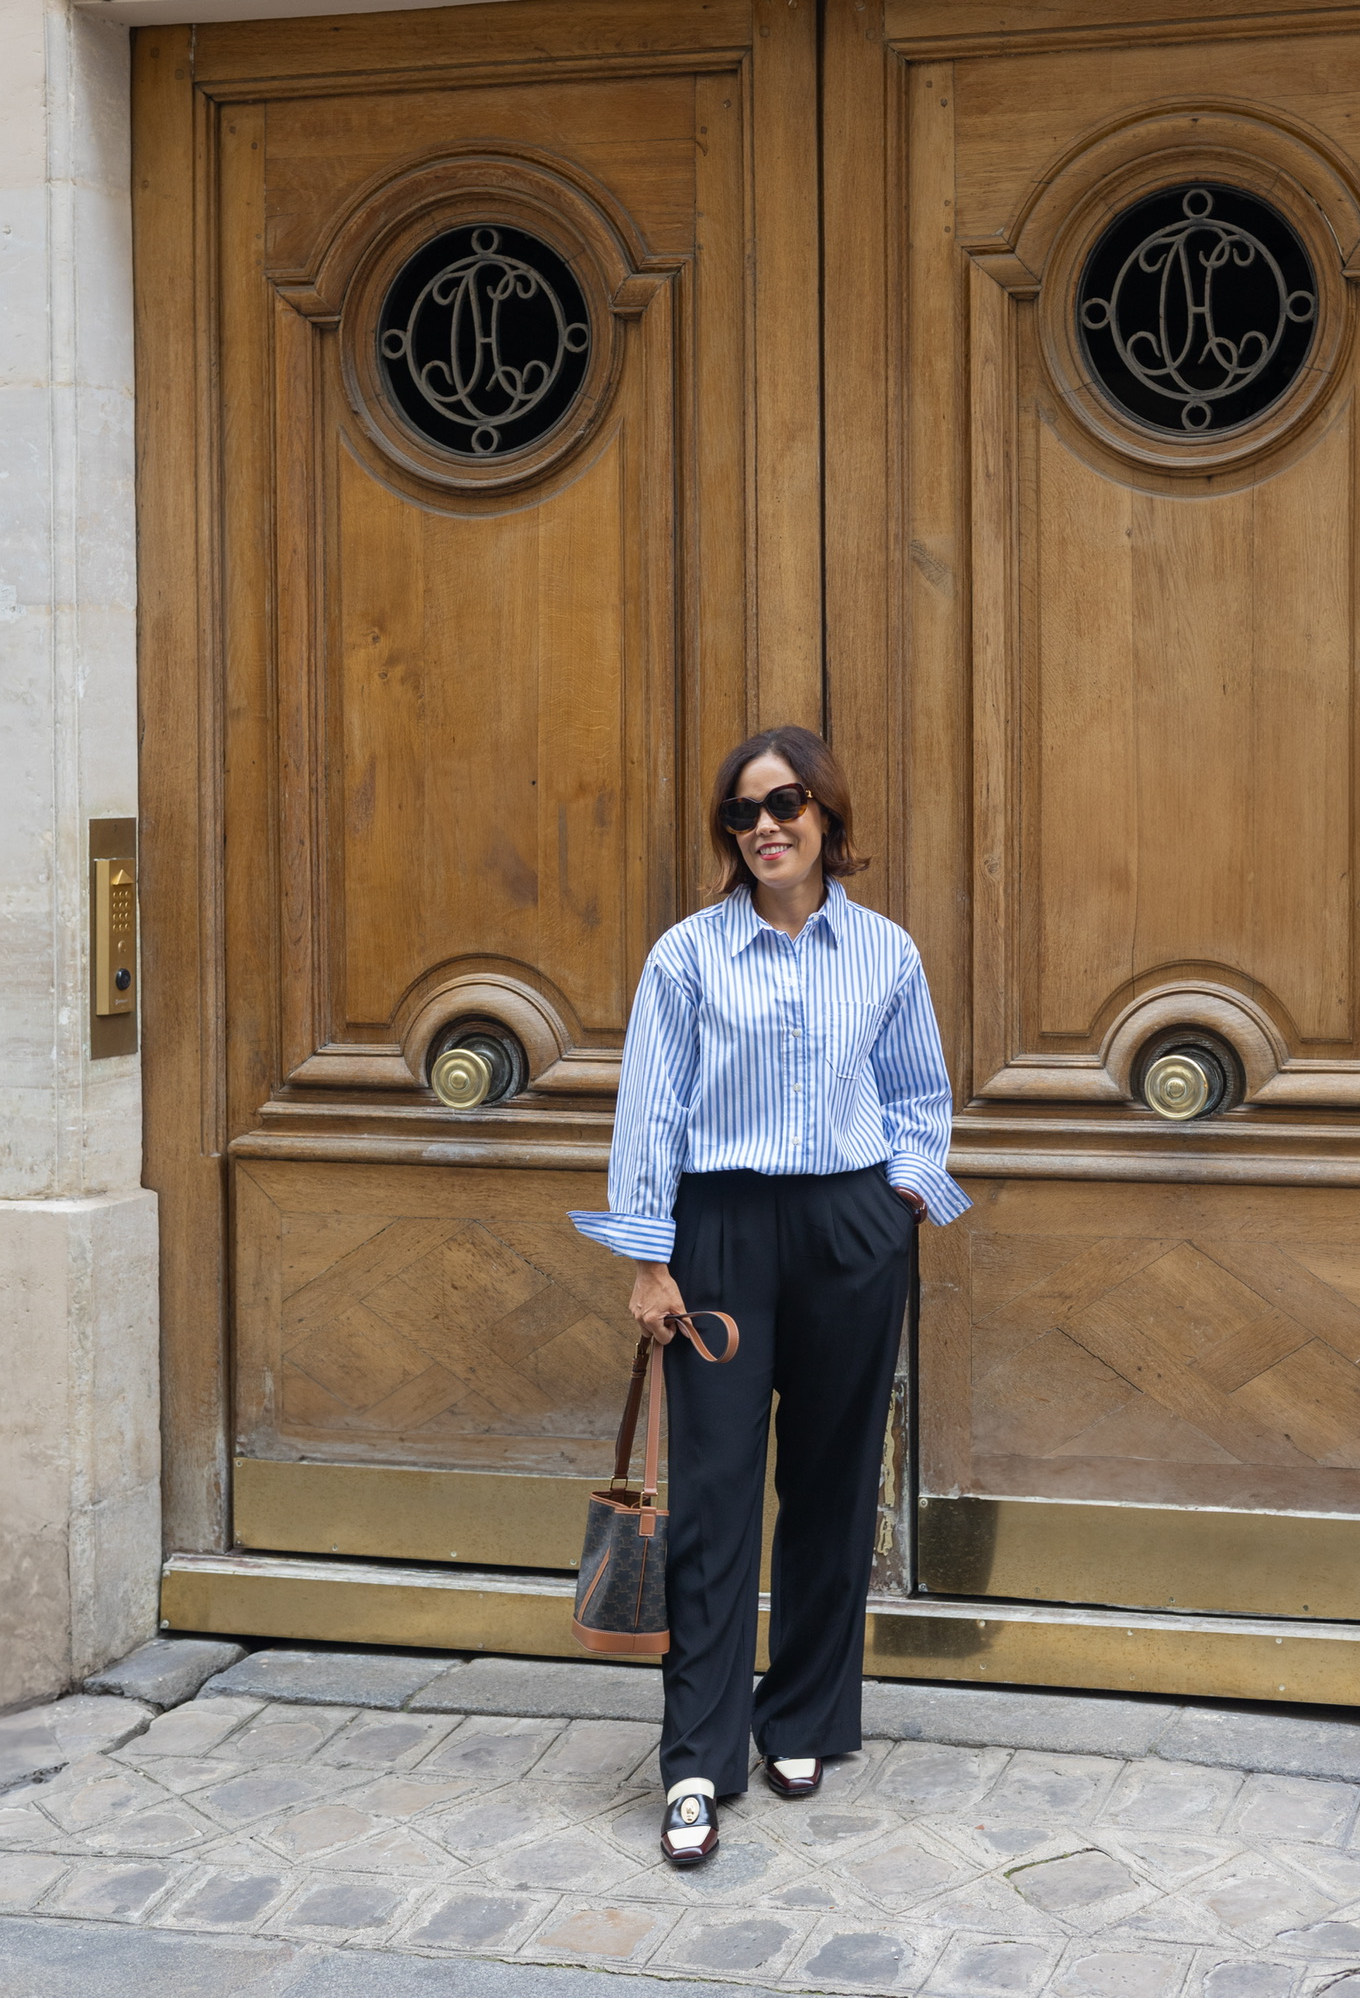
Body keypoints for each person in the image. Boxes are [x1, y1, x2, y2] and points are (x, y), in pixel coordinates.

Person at [568, 724, 967, 1866]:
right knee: (713, 1494)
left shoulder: (884, 951)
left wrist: (900, 1198)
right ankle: (697, 1757)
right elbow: (651, 1108)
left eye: (785, 803)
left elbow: (919, 1094)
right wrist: (650, 1260)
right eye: (743, 812)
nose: (765, 827)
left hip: (850, 1228)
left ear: (827, 815)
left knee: (832, 1484)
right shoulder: (688, 956)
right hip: (723, 1233)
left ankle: (801, 1718)